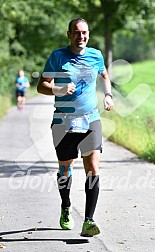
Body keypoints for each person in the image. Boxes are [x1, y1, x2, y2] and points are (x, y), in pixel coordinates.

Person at [37, 18, 114, 237]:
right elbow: (41, 86)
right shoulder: (57, 57)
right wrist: (58, 89)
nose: (81, 37)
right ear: (69, 34)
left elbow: (105, 75)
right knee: (65, 167)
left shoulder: (95, 55)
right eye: (77, 33)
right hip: (64, 122)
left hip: (91, 119)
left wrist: (108, 95)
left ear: (88, 34)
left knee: (93, 168)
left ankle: (89, 220)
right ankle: (66, 205)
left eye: (84, 33)